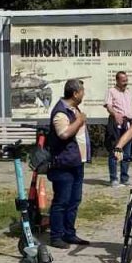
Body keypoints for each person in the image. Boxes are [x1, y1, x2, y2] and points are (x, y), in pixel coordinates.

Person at [46, 78, 91, 249]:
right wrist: (79, 121)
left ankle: (69, 233)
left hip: (76, 162)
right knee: (62, 201)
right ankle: (56, 236)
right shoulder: (61, 112)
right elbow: (64, 134)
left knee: (74, 200)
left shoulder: (73, 109)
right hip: (63, 164)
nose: (84, 94)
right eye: (82, 91)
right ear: (75, 93)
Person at [104, 71, 132, 187]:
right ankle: (113, 179)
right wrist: (115, 114)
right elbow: (108, 106)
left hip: (128, 123)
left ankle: (124, 178)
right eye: (123, 81)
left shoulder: (128, 92)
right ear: (117, 80)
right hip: (116, 123)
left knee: (127, 151)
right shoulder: (111, 91)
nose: (125, 82)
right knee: (115, 150)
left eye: (126, 80)